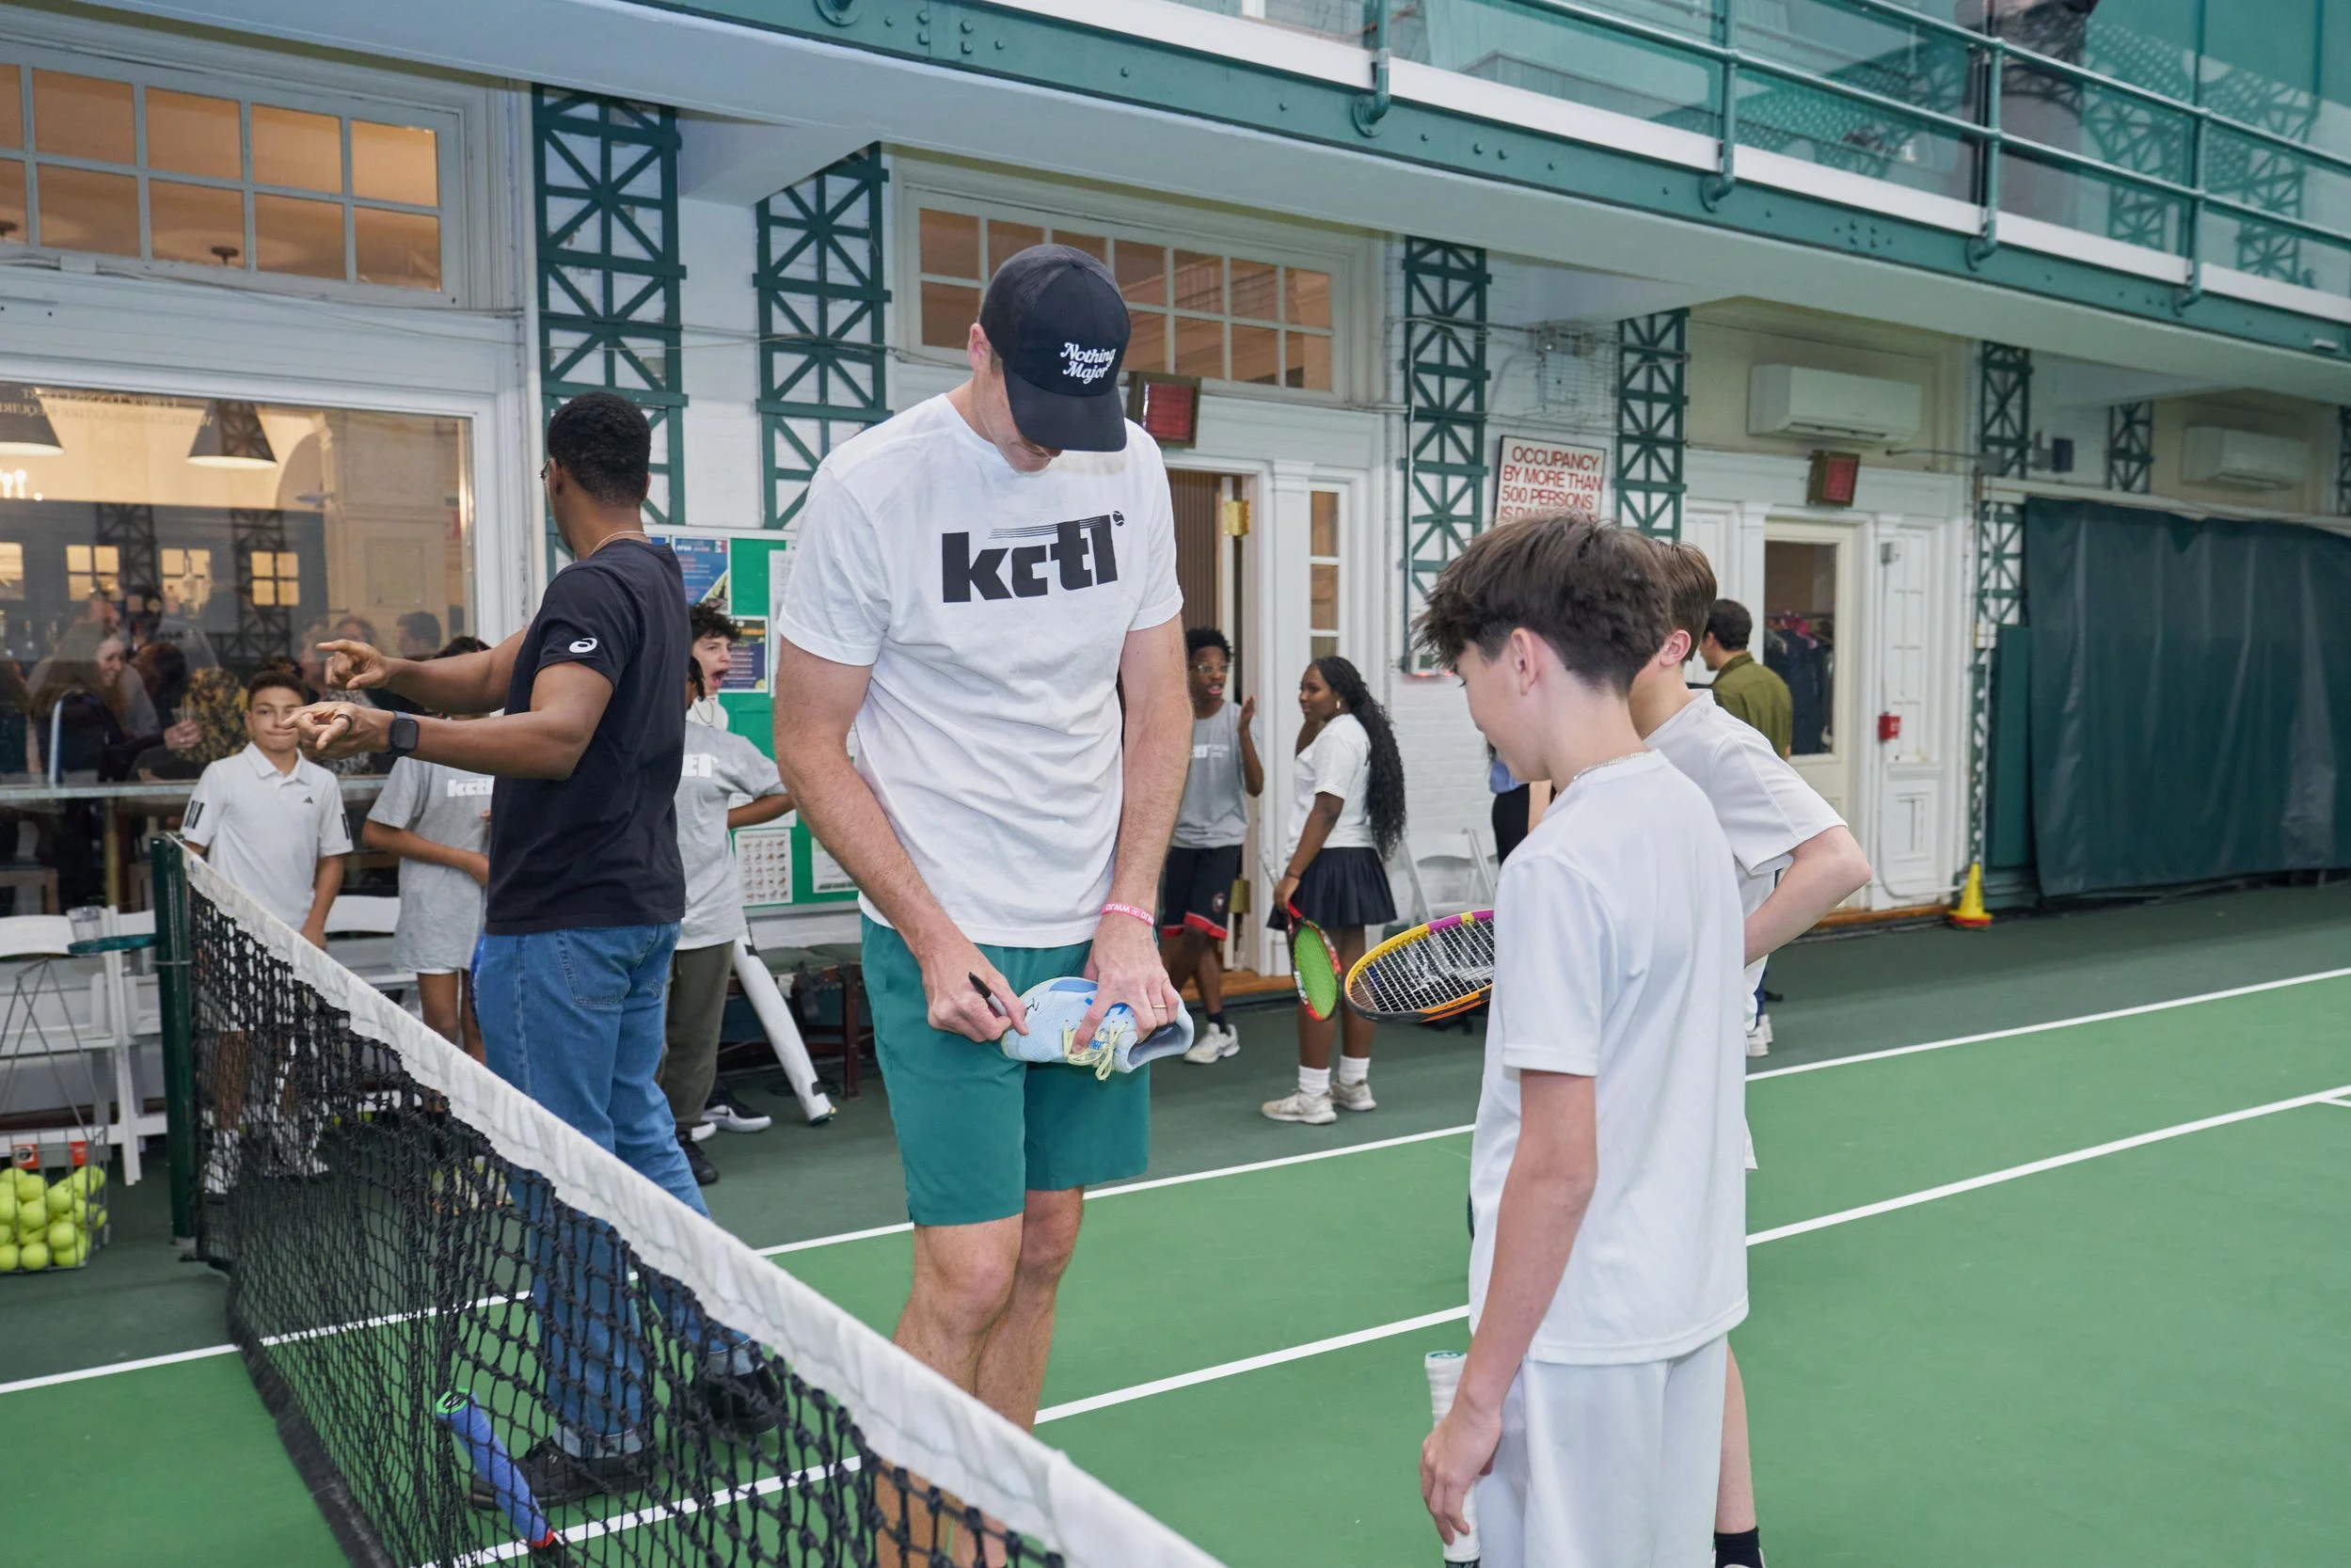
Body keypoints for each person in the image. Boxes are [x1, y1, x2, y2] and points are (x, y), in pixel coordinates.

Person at [293, 391, 770, 1506]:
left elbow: (553, 734)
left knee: (561, 1173)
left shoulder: (595, 586)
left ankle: (604, 1426)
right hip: (636, 910)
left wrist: (390, 730)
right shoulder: (653, 579)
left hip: (562, 922)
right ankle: (732, 1358)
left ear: (555, 473)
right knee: (638, 1143)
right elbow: (496, 674)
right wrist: (393, 670)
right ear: (638, 473)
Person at [771, 243, 1188, 1440]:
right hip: (945, 924)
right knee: (968, 1271)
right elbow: (809, 744)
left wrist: (1129, 911)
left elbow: (1159, 706)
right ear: (977, 350)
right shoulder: (872, 488)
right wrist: (932, 933)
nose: (1053, 444)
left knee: (1047, 1242)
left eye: (1079, 414)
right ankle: (910, 1524)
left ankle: (989, 1516)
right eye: (1035, 408)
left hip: (1091, 930)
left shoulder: (1131, 464)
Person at [1415, 513, 1748, 1568]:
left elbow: (1558, 1165)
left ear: (1521, 657)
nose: (1474, 708)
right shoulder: (1686, 813)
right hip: (1687, 1306)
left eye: (1467, 675)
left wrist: (1476, 1400)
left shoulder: (1556, 866)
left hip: (1577, 1340)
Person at [1637, 541, 1871, 1568]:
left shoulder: (1715, 746)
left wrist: (1718, 958)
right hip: (1619, 1073)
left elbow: (1839, 861)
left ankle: (1729, 1545)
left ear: (1670, 642)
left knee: (1686, 1328)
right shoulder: (1611, 749)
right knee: (1669, 1328)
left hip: (1684, 1081)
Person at [662, 653, 793, 1185]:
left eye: (678, 679)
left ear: (696, 690)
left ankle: (680, 1135)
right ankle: (637, 1139)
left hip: (709, 913)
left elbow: (784, 791)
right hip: (635, 916)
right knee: (641, 1039)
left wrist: (723, 820)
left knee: (695, 1036)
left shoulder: (722, 747)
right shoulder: (615, 741)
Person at [1260, 654, 1405, 1126]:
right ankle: (1353, 1085)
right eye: (1301, 688)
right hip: (1352, 863)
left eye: (1313, 689)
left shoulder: (1340, 736)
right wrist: (1314, 713)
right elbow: (1303, 755)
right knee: (1352, 980)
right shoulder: (1343, 731)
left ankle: (1313, 1096)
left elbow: (1326, 809)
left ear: (1339, 694)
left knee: (1317, 985)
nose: (1302, 696)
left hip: (1327, 864)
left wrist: (1293, 874)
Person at [360, 640, 497, 1061]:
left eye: (483, 675)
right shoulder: (425, 747)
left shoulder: (513, 743)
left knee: (482, 1026)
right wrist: (466, 859)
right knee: (442, 1027)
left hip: (497, 909)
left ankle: (478, 1108)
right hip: (435, 906)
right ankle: (438, 1105)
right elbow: (378, 832)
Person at [182, 670, 349, 944]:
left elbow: (333, 859)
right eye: (265, 712)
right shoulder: (221, 775)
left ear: (308, 719)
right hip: (231, 935)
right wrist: (201, 931)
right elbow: (189, 856)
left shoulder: (323, 782)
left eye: (290, 712)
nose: (279, 721)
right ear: (249, 721)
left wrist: (315, 926)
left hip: (299, 936)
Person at [1163, 626, 1261, 1064]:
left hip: (1222, 841)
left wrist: (1244, 734)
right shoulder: (1176, 719)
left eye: (1222, 667)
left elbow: (1256, 786)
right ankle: (1219, 1027)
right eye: (1205, 667)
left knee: (1198, 932)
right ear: (1188, 671)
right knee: (1188, 938)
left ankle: (1157, 1012)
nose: (1216, 675)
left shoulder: (1238, 719)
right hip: (1181, 842)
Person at [1700, 600, 1794, 761]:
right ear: (1748, 638)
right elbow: (1786, 751)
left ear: (1709, 639)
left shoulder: (1723, 692)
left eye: (1699, 641)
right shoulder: (1775, 681)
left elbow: (1725, 760)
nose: (1699, 650)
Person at [687, 600, 737, 730]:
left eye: (728, 648)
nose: (727, 657)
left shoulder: (720, 715)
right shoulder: (661, 712)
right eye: (712, 648)